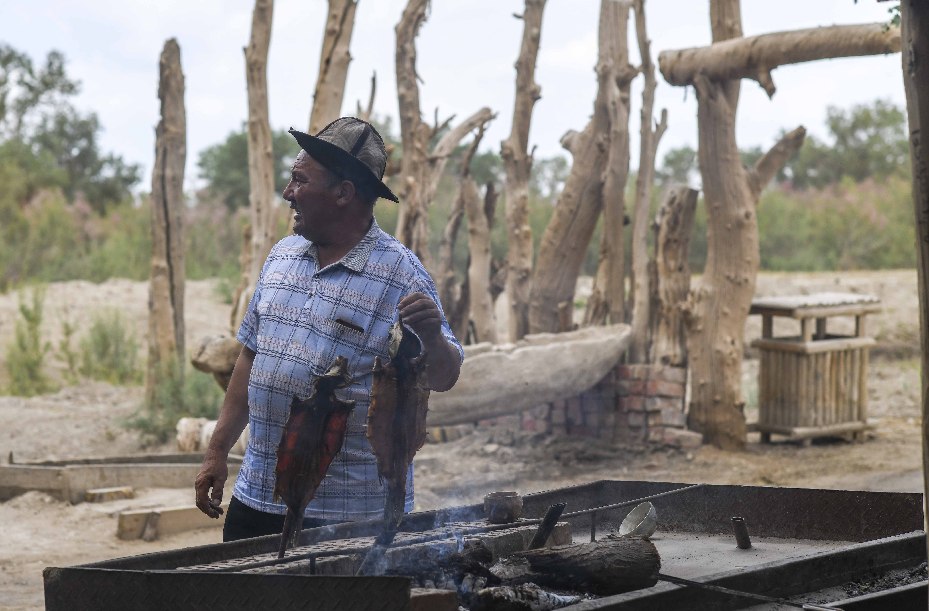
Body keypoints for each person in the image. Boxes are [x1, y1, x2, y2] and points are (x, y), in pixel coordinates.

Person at [194, 117, 463, 541]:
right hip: (257, 498)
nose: (288, 193)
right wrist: (216, 451)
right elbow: (250, 357)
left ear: (343, 193)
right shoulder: (282, 257)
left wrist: (431, 337)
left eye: (300, 181)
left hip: (348, 519)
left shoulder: (401, 275)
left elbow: (444, 377)